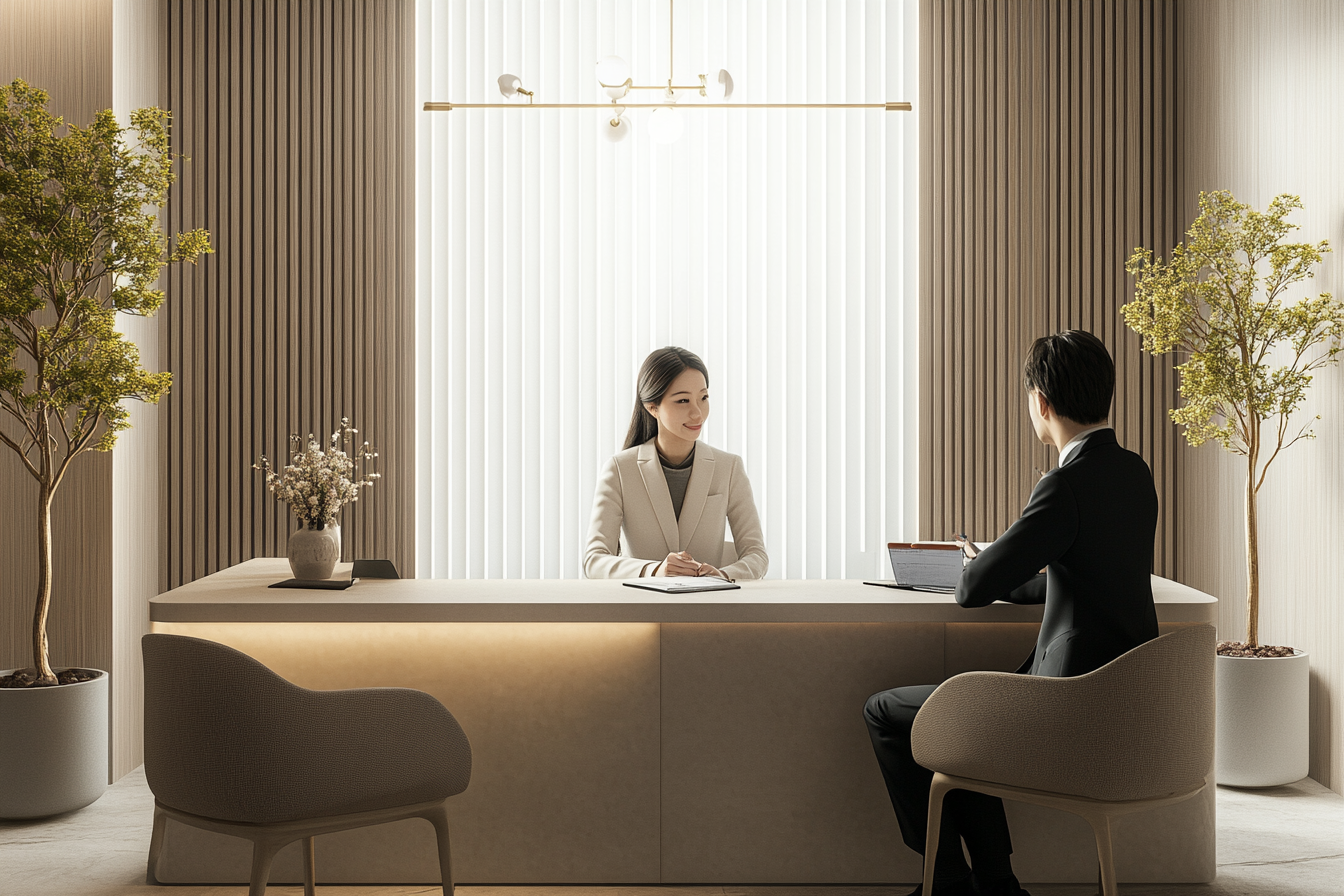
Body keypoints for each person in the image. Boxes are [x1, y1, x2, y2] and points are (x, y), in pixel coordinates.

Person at [863, 330, 1159, 896]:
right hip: (1121, 704)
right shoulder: (1134, 473)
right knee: (970, 716)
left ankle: (948, 878)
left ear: (1041, 402)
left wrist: (982, 559)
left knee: (886, 711)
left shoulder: (1064, 483)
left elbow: (971, 588)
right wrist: (1025, 579)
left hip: (1065, 707)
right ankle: (996, 882)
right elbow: (1085, 575)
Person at [584, 346, 768, 580]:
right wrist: (654, 570)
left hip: (708, 605)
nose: (697, 414)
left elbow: (756, 554)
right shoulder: (619, 470)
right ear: (652, 407)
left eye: (703, 398)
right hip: (644, 607)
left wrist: (722, 574)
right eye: (683, 400)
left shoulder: (729, 468)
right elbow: (594, 560)